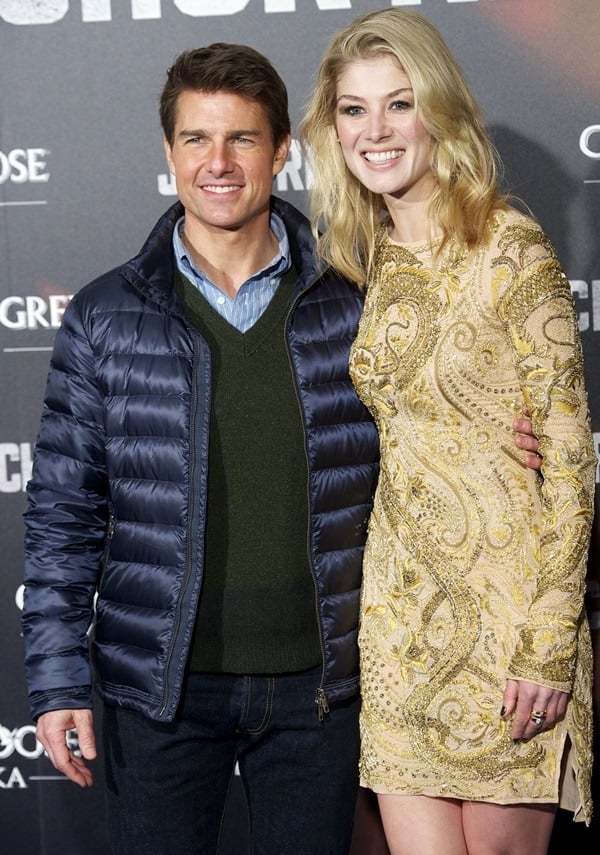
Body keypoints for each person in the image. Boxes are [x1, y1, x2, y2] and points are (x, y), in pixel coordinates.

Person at [22, 41, 541, 855]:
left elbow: (428, 421)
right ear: (168, 153)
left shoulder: (354, 297)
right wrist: (56, 680)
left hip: (324, 691)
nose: (218, 163)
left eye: (242, 139)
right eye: (196, 139)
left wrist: (501, 440)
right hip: (160, 691)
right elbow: (62, 517)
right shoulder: (105, 315)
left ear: (282, 152)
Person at [301, 9, 595, 855]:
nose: (376, 131)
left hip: (508, 619)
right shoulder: (370, 258)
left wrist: (546, 645)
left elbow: (571, 460)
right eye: (354, 110)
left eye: (399, 104)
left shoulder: (510, 247)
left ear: (440, 110)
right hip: (398, 624)